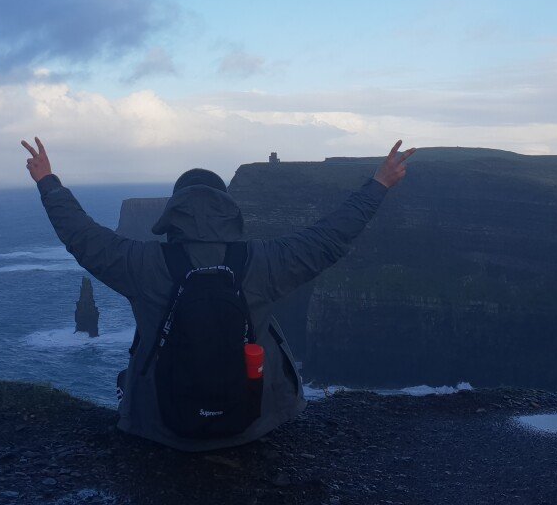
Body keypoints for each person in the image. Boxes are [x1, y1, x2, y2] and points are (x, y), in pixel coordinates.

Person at [21, 136, 414, 452]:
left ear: (174, 211)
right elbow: (329, 238)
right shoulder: (262, 262)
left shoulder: (141, 264)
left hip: (159, 428)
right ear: (228, 209)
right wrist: (378, 184)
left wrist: (47, 182)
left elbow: (83, 237)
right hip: (255, 424)